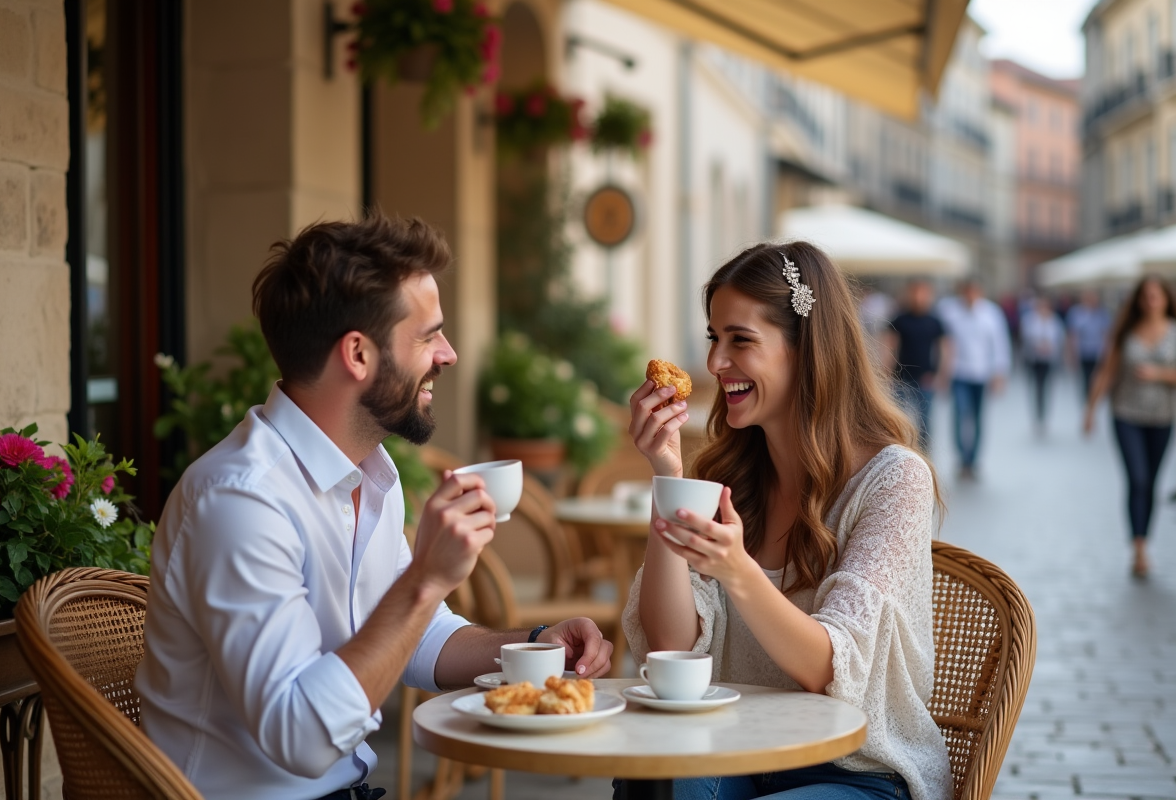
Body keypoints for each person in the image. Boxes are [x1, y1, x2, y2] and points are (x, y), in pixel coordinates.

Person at [135, 214, 613, 800]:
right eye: (428, 335)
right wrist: (426, 579)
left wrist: (535, 644)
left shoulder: (371, 472)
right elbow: (303, 737)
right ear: (358, 354)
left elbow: (416, 636)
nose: (450, 354)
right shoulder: (240, 500)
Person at [620, 242, 952, 800]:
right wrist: (667, 476)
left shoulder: (894, 481)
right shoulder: (729, 477)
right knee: (660, 774)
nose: (715, 364)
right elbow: (669, 644)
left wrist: (738, 571)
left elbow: (827, 667)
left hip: (853, 767)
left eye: (740, 340)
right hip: (737, 749)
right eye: (714, 338)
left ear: (806, 349)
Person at [1083, 277, 1176, 579]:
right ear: (1138, 300)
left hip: (1162, 417)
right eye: (1145, 296)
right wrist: (1091, 409)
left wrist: (1159, 374)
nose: (1150, 301)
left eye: (1156, 296)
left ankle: (1144, 539)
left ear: (1165, 299)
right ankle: (1138, 549)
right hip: (1126, 415)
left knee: (1150, 482)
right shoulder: (1126, 333)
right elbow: (1106, 372)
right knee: (1137, 478)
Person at [936, 280, 1012, 480]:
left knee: (978, 418)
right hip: (959, 372)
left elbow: (1000, 344)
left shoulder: (991, 313)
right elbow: (942, 343)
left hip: (982, 373)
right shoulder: (949, 311)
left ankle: (973, 460)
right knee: (960, 414)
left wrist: (1000, 372)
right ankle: (962, 457)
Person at [884, 280, 949, 449]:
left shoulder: (934, 321)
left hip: (926, 377)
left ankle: (924, 455)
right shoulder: (900, 319)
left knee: (925, 421)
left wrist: (941, 374)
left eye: (923, 293)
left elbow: (943, 349)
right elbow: (890, 346)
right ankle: (902, 451)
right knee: (899, 419)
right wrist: (887, 374)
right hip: (902, 377)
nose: (919, 297)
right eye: (915, 293)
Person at [1019, 296, 1065, 434]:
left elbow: (1060, 339)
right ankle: (1038, 416)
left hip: (1049, 360)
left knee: (1046, 388)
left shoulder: (1055, 321)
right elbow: (1026, 338)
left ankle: (1044, 415)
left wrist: (1050, 347)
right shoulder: (1030, 320)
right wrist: (1037, 345)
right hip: (1034, 359)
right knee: (1037, 387)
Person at [1067, 290, 1112, 399]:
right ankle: (1087, 400)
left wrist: (1106, 353)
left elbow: (1106, 334)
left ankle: (1092, 399)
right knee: (1085, 378)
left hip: (1097, 352)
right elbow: (1073, 335)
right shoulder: (1077, 313)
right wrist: (1072, 354)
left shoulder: (1102, 314)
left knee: (1096, 378)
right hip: (1083, 352)